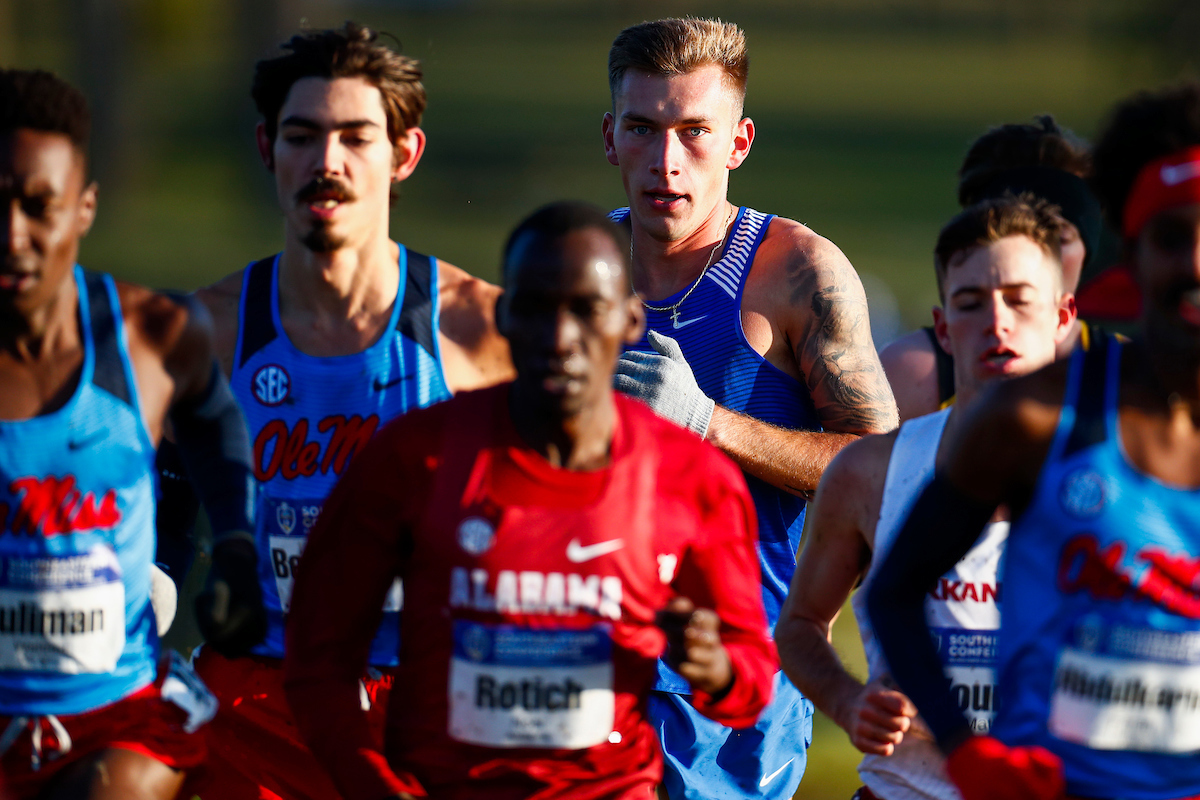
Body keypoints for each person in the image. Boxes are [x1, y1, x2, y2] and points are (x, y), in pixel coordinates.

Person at [282, 201, 777, 799]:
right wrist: (373, 784)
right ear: (505, 316)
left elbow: (751, 674)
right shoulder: (416, 458)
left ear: (628, 321)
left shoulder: (689, 476)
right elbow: (317, 657)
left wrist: (716, 668)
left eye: (586, 311)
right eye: (538, 310)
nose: (561, 338)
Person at [173, 22, 513, 800]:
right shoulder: (206, 330)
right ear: (267, 148)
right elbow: (136, 492)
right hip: (258, 697)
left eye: (356, 137)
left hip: (430, 703)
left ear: (405, 154)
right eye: (303, 136)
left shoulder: (482, 329)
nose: (326, 162)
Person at [867, 82, 1200, 800]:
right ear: (1133, 254)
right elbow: (893, 593)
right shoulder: (1036, 416)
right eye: (1173, 237)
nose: (1195, 263)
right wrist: (966, 753)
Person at [601, 17, 899, 799]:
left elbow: (883, 471)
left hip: (732, 691)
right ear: (610, 137)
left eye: (695, 131)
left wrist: (705, 422)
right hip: (582, 667)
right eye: (644, 128)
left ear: (739, 142)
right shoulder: (572, 277)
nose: (667, 161)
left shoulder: (795, 272)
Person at [0, 69, 264, 800]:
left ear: (84, 208)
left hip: (118, 717)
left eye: (38, 207)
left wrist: (236, 547)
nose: (12, 236)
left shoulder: (152, 337)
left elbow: (212, 420)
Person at [775, 195, 1076, 800]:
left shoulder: (1120, 479)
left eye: (1020, 300)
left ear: (1064, 317)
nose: (997, 323)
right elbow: (800, 626)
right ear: (942, 327)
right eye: (971, 303)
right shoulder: (872, 472)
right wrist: (849, 700)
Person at [880, 116, 1102, 420]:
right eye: (1013, 241)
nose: (1039, 256)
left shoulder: (1126, 371)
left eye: (1059, 239)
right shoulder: (914, 372)